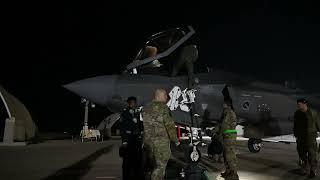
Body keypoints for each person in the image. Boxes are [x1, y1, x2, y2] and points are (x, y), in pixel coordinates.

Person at [142, 88, 180, 180]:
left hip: (148, 143)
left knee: (152, 166)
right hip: (161, 143)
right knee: (160, 167)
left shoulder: (146, 107)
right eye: (165, 95)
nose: (167, 97)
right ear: (159, 96)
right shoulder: (163, 108)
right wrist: (175, 140)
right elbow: (169, 125)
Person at [294, 98, 320, 178]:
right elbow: (295, 125)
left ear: (304, 104)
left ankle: (313, 170)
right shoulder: (297, 113)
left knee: (312, 155)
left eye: (299, 104)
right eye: (298, 104)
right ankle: (305, 169)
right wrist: (296, 134)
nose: (298, 105)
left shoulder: (313, 113)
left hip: (310, 138)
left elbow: (318, 124)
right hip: (301, 138)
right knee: (302, 154)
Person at [119, 96, 144, 180]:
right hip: (129, 139)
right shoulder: (124, 113)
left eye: (134, 102)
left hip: (137, 139)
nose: (133, 104)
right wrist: (124, 141)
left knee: (138, 160)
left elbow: (141, 125)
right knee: (127, 162)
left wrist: (141, 134)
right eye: (132, 103)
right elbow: (122, 128)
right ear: (129, 103)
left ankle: (138, 176)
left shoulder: (138, 112)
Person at [220, 98, 239, 180]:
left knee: (230, 155)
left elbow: (224, 124)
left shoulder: (229, 113)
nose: (222, 105)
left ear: (227, 104)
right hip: (227, 135)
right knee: (226, 154)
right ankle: (228, 171)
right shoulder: (226, 112)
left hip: (230, 136)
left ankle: (234, 174)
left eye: (224, 103)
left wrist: (217, 132)